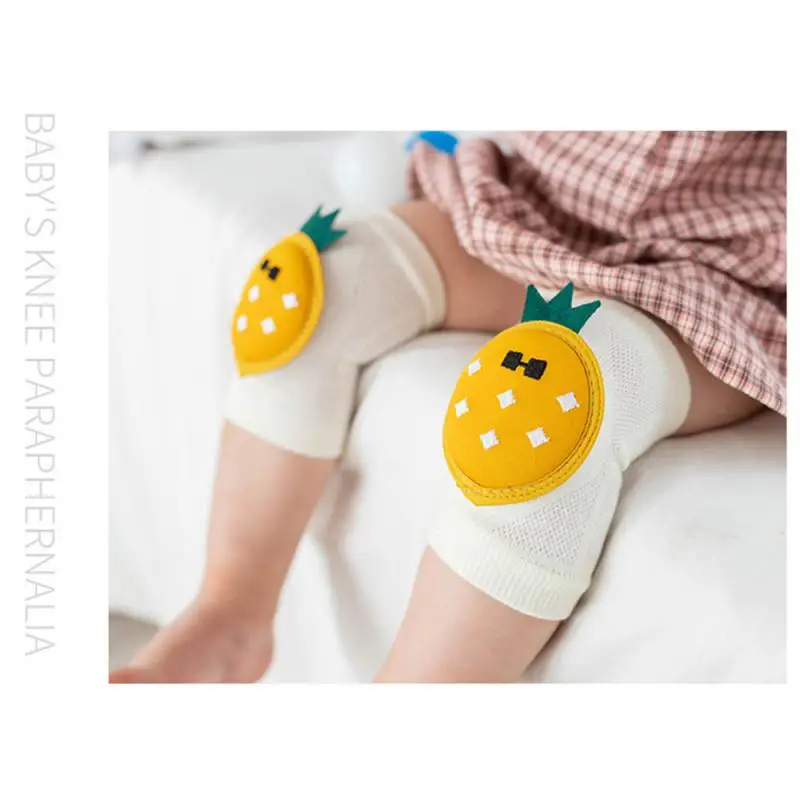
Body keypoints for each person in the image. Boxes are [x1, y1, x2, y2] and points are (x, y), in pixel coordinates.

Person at [110, 131, 785, 683]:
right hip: (545, 206)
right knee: (305, 287)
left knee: (547, 402)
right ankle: (227, 620)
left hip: (731, 272)